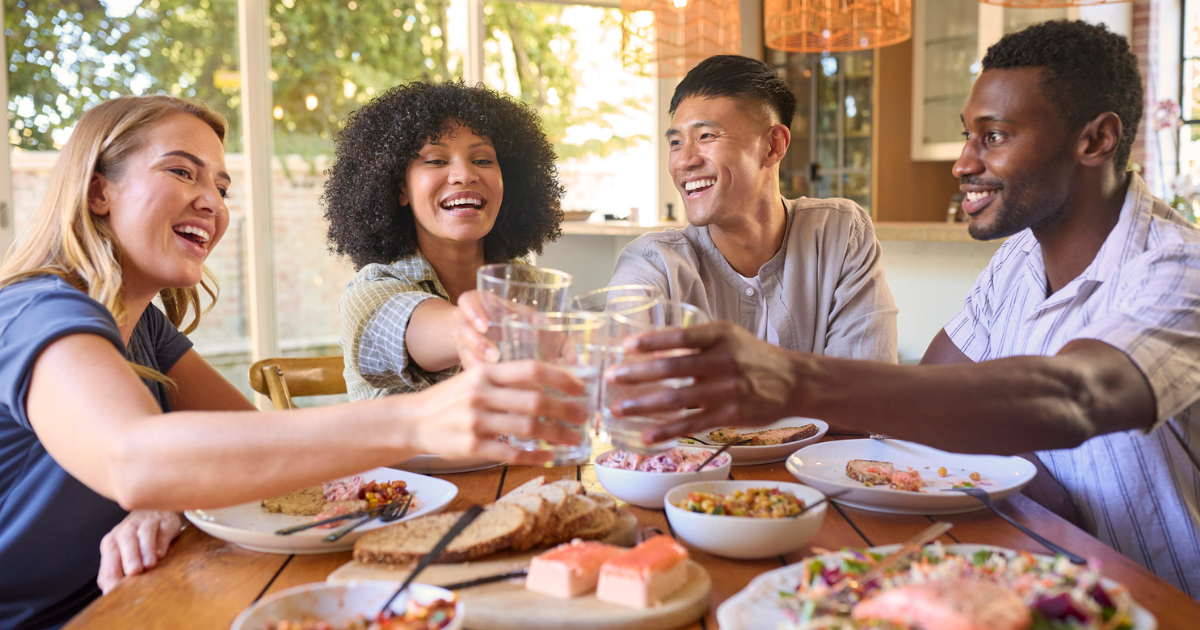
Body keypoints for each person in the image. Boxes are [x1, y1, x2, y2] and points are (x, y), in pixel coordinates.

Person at [608, 21, 1200, 597]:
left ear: (1094, 140)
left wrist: (789, 379)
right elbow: (921, 398)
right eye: (967, 135)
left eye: (992, 136)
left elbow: (1078, 397)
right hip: (1033, 571)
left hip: (1157, 598)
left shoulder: (1180, 267)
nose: (962, 163)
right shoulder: (1018, 259)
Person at [0, 95, 586, 630]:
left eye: (222, 187)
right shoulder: (34, 309)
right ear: (99, 191)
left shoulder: (146, 328)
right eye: (182, 171)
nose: (211, 201)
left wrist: (168, 496)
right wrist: (418, 418)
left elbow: (251, 442)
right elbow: (131, 457)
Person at [609, 55, 897, 360]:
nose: (684, 160)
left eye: (706, 136)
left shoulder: (839, 233)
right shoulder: (654, 264)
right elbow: (621, 371)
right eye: (677, 142)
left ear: (773, 146)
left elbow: (869, 387)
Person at [324, 81, 565, 399]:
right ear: (400, 190)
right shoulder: (370, 294)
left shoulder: (530, 285)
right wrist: (481, 326)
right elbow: (417, 329)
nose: (464, 174)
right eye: (436, 160)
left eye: (482, 160)